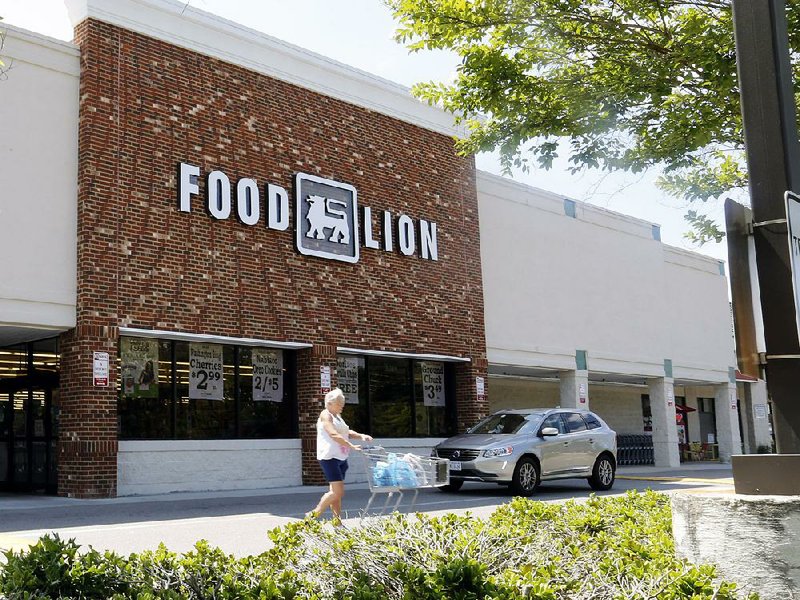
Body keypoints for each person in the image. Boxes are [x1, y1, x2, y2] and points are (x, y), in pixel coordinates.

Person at [307, 387, 372, 521]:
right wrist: (351, 446)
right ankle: (312, 515)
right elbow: (333, 434)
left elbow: (346, 432)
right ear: (330, 403)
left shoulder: (338, 417)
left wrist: (361, 436)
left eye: (342, 404)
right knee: (338, 492)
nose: (342, 406)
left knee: (336, 493)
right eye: (339, 404)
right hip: (329, 457)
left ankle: (337, 521)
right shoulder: (326, 415)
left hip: (341, 457)